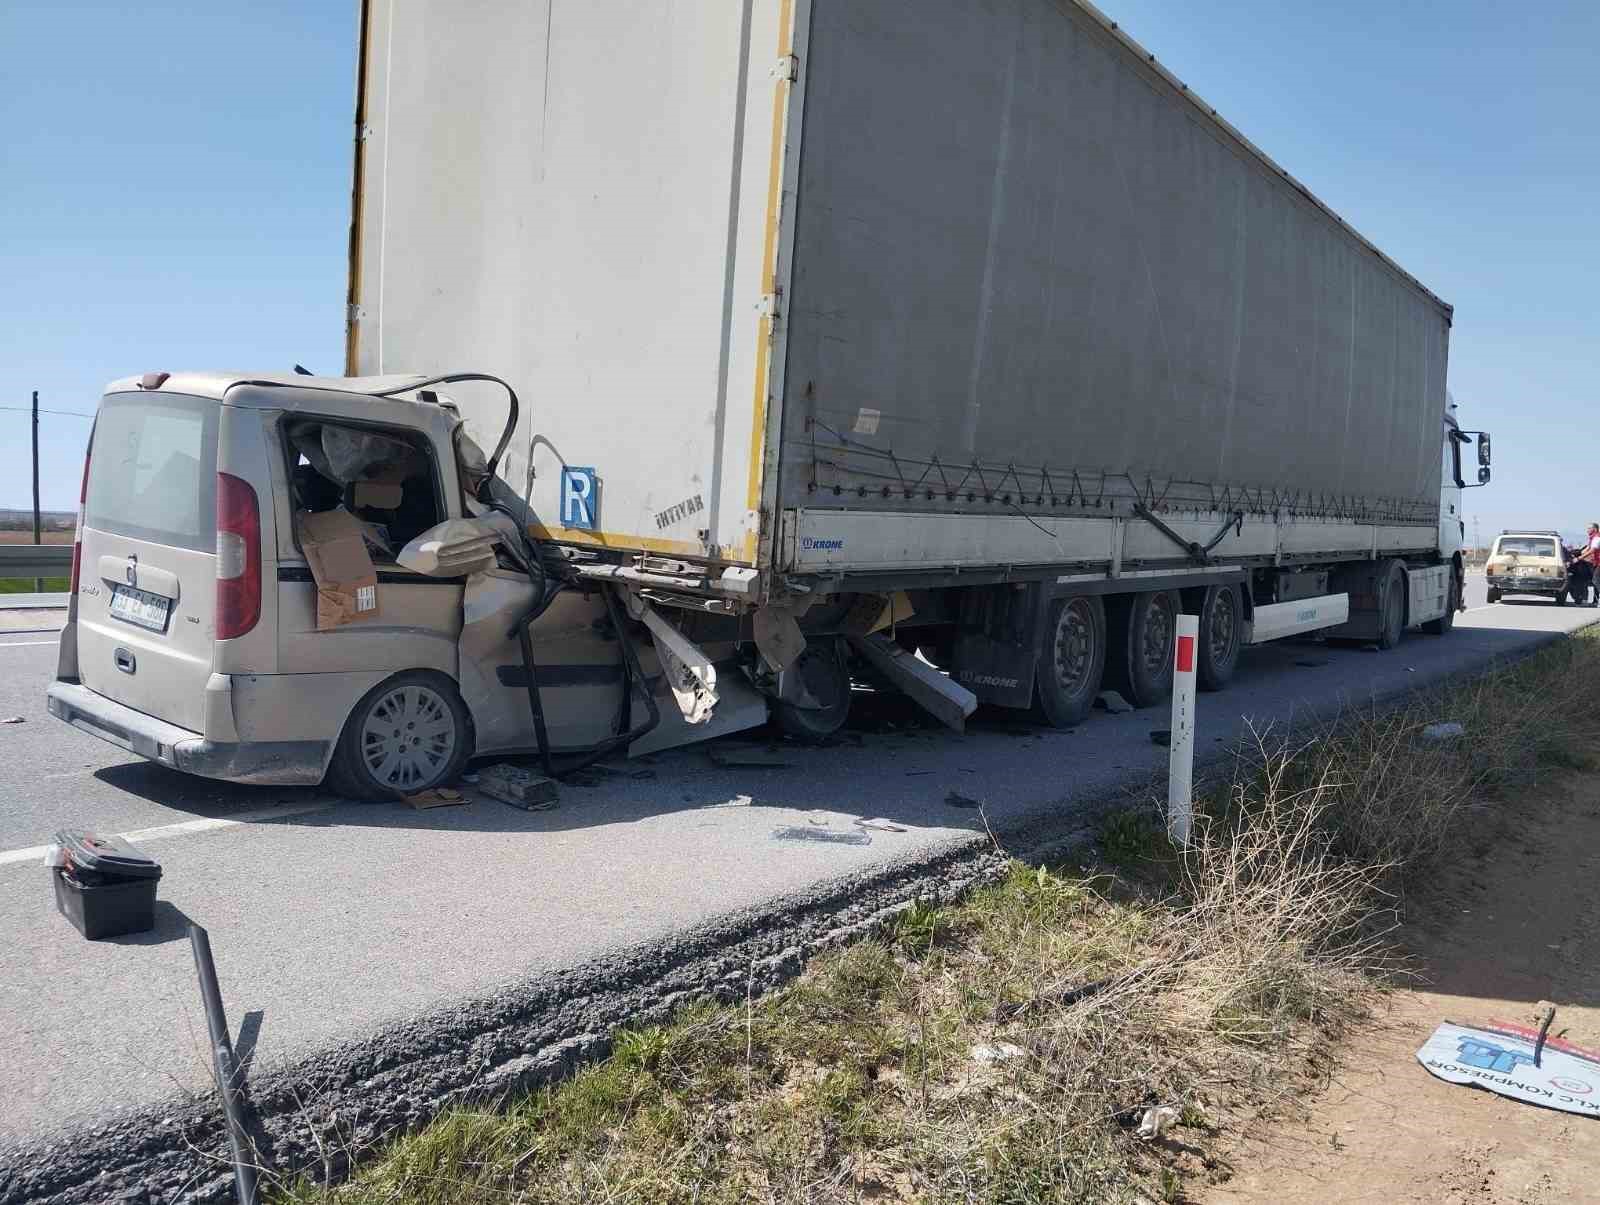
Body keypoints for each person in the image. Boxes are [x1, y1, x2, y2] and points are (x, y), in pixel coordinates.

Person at [1583, 523, 1600, 607]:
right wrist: (1578, 555)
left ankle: (1595, 601)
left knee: (1595, 580)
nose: (1587, 530)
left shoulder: (1597, 538)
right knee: (1595, 581)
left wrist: (1579, 558)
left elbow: (1592, 550)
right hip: (1596, 562)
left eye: (1589, 528)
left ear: (1595, 529)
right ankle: (1595, 601)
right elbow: (1586, 549)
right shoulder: (1592, 539)